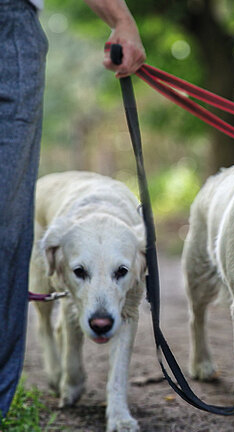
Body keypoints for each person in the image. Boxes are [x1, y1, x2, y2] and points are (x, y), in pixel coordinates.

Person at [0, 0, 146, 418]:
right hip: (55, 201)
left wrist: (120, 18)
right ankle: (62, 364)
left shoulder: (132, 239)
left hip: (11, 18)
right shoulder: (58, 237)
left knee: (6, 234)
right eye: (74, 269)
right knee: (53, 311)